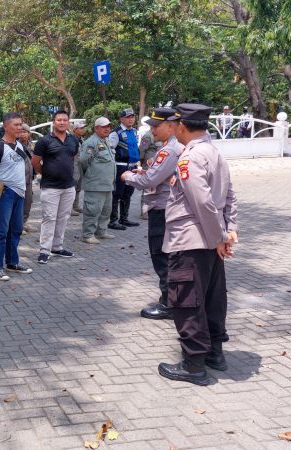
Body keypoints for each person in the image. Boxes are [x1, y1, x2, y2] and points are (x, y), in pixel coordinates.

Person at [155, 103, 238, 386]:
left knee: (187, 302)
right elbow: (229, 197)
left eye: (175, 123)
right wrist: (227, 233)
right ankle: (215, 354)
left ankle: (193, 365)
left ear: (181, 125)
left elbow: (202, 201)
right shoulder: (214, 152)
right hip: (211, 240)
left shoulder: (189, 157)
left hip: (192, 241)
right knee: (213, 299)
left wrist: (220, 238)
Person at [122, 107, 185, 321]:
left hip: (163, 209)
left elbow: (149, 181)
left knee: (162, 257)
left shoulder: (170, 150)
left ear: (171, 126)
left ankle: (169, 303)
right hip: (169, 207)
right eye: (151, 125)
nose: (152, 129)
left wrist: (128, 177)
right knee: (168, 256)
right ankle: (173, 300)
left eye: (156, 126)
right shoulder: (175, 147)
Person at [0, 112, 32, 281]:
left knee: (16, 230)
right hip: (4, 193)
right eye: (16, 125)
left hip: (19, 193)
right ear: (5, 127)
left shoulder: (20, 145)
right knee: (0, 232)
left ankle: (12, 262)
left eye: (21, 124)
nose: (20, 128)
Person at [31, 110, 78, 263]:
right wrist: (46, 173)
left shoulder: (73, 140)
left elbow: (72, 157)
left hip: (68, 187)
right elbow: (35, 162)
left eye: (65, 120)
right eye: (59, 120)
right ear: (54, 122)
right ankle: (45, 250)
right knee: (49, 218)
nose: (62, 122)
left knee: (63, 218)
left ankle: (57, 247)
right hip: (50, 187)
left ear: (68, 122)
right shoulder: (44, 141)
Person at [77, 117, 116, 244]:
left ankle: (101, 231)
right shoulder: (91, 142)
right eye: (104, 126)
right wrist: (90, 174)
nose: (107, 129)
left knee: (106, 210)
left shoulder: (106, 141)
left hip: (107, 184)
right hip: (95, 184)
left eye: (108, 126)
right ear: (96, 128)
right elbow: (83, 161)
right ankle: (87, 235)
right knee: (92, 210)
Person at [108, 108, 141, 230]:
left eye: (132, 116)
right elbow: (110, 151)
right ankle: (113, 220)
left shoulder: (135, 132)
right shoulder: (115, 133)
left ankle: (124, 218)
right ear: (121, 119)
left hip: (133, 167)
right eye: (128, 117)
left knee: (128, 193)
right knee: (117, 194)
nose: (131, 119)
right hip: (120, 167)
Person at [18, 123, 36, 227]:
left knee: (28, 202)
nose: (22, 134)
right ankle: (18, 224)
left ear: (29, 133)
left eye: (24, 132)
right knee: (19, 202)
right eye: (20, 132)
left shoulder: (33, 145)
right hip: (19, 179)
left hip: (29, 178)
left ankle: (24, 222)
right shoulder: (15, 145)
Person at [70, 121, 87, 216]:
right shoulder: (71, 139)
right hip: (73, 164)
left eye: (83, 128)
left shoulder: (82, 139)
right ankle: (70, 207)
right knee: (73, 185)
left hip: (80, 164)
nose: (83, 129)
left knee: (79, 185)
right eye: (81, 128)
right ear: (75, 130)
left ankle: (76, 205)